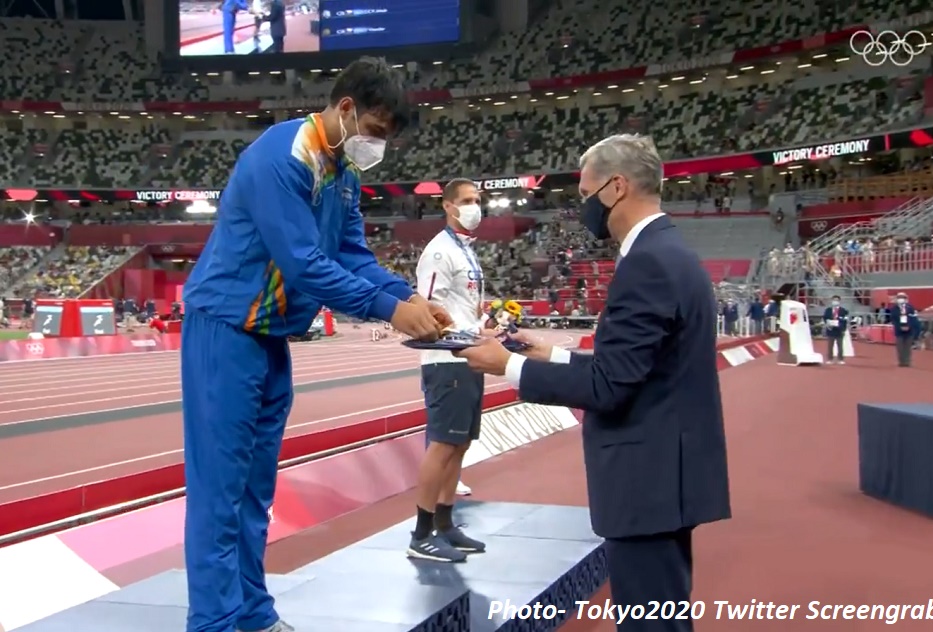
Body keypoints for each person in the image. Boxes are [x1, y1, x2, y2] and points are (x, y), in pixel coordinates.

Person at [180, 57, 449, 632]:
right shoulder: (283, 159)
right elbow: (304, 264)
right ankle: (213, 622)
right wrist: (393, 312)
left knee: (255, 490)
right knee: (219, 491)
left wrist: (409, 298)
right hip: (226, 328)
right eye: (375, 133)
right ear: (346, 108)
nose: (377, 146)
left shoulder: (342, 171)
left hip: (271, 336)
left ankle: (252, 613)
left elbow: (351, 254)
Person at [458, 134, 731, 631]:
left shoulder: (646, 262)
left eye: (586, 194)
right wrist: (553, 354)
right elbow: (636, 368)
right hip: (666, 476)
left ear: (617, 187)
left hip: (648, 482)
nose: (583, 207)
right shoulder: (667, 251)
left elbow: (610, 388)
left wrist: (507, 366)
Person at [409, 178, 488, 563]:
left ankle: (444, 523)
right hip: (446, 361)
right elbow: (428, 307)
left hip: (470, 356)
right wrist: (457, 335)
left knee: (460, 444)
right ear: (448, 206)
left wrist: (481, 325)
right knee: (442, 444)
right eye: (468, 201)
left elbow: (462, 306)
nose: (476, 207)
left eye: (478, 200)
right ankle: (421, 534)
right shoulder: (440, 253)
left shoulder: (466, 251)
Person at [889, 292, 919, 367]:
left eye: (902, 297)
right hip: (899, 330)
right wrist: (900, 327)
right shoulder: (894, 308)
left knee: (908, 347)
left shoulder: (910, 307)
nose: (901, 299)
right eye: (899, 297)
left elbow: (913, 318)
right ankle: (901, 361)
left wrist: (909, 326)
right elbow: (894, 319)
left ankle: (907, 361)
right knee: (900, 347)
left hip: (909, 330)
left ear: (906, 299)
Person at [822, 295, 848, 365]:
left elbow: (845, 320)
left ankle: (840, 359)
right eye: (834, 300)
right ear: (832, 301)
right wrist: (828, 323)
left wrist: (843, 328)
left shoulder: (843, 310)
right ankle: (830, 359)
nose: (835, 302)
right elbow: (825, 318)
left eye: (837, 300)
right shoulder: (828, 310)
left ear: (839, 301)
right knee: (830, 345)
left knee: (840, 345)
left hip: (839, 330)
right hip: (831, 329)